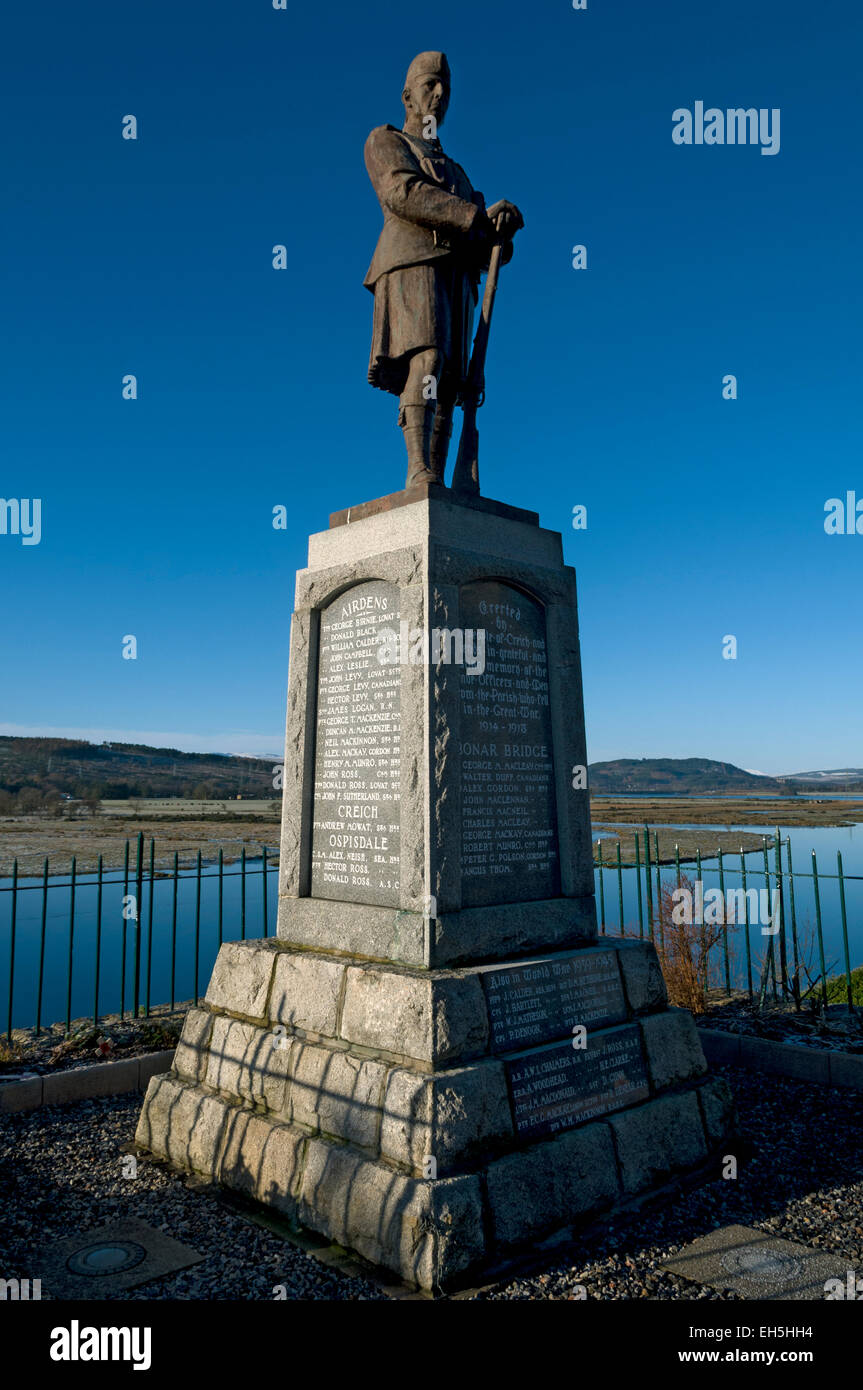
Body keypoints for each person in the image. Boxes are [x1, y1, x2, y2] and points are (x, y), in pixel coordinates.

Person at [363, 51, 523, 488]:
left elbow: (485, 245)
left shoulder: (458, 172)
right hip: (412, 264)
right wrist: (475, 217)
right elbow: (403, 192)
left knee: (452, 383)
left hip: (456, 279)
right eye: (430, 85)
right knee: (428, 359)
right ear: (407, 95)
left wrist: (499, 233)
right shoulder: (387, 141)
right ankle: (419, 468)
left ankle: (439, 475)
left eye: (445, 88)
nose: (439, 95)